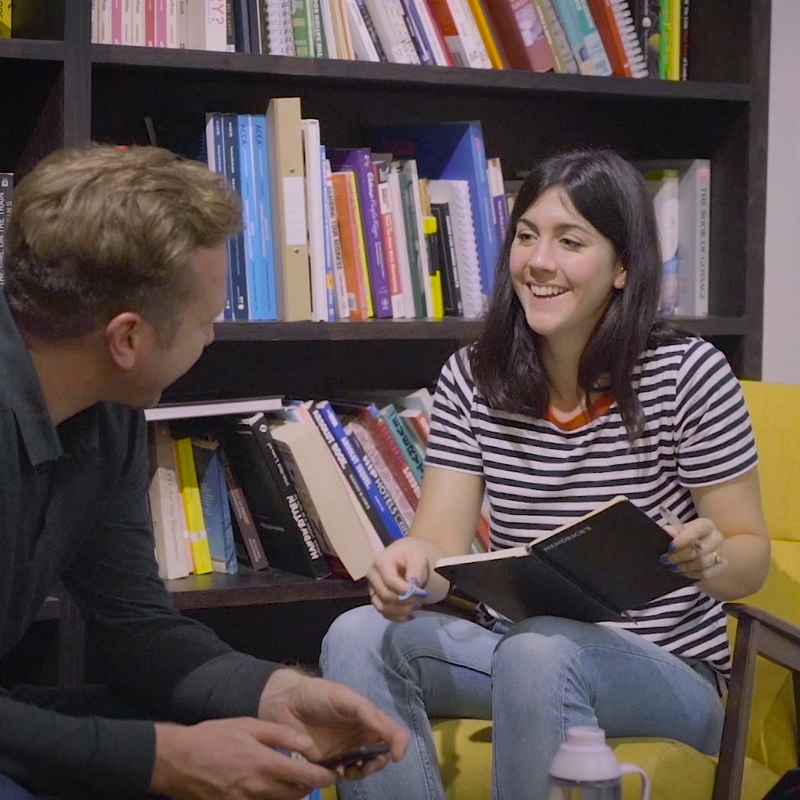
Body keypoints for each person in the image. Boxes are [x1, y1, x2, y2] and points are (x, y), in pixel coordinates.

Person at [320, 149, 772, 800]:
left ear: (622, 267)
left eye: (570, 241)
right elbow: (438, 542)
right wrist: (408, 566)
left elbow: (750, 558)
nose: (539, 262)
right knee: (358, 635)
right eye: (527, 236)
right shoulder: (475, 377)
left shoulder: (686, 374)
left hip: (669, 676)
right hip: (521, 653)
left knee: (538, 650)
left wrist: (711, 559)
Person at [0, 144, 408, 800]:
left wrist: (274, 693)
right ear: (127, 339)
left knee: (264, 753)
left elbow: (137, 630)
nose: (212, 338)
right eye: (205, 321)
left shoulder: (108, 413)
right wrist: (161, 759)